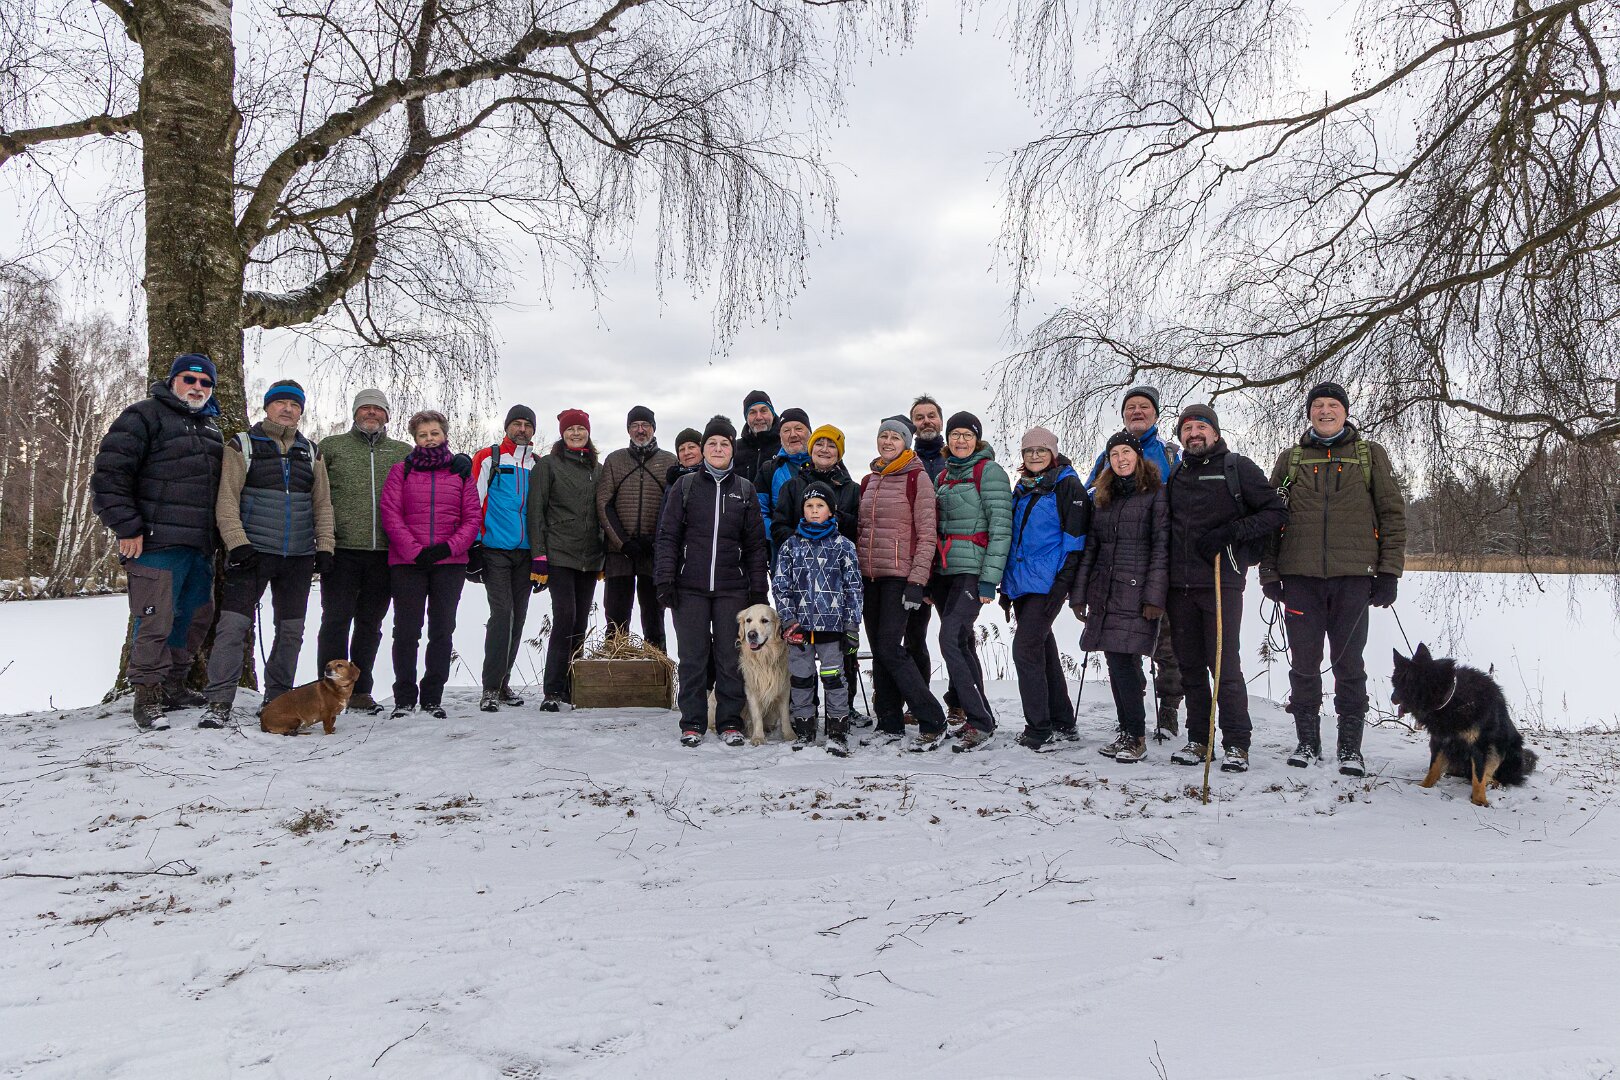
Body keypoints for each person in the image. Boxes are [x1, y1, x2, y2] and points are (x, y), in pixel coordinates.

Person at [1260, 381, 1407, 775]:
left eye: (1333, 405)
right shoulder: (1291, 458)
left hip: (1353, 579)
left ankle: (1349, 748)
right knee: (1304, 665)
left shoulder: (1368, 454)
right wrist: (1270, 571)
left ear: (1345, 411)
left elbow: (1392, 514)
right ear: (1309, 412)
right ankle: (1307, 743)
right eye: (1318, 405)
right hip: (1300, 580)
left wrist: (1389, 571)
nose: (1325, 411)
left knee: (1349, 665)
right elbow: (1271, 518)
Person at [90, 352, 225, 731]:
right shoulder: (144, 415)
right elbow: (110, 476)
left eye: (205, 383)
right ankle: (146, 695)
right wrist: (127, 526)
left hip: (199, 546)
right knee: (155, 621)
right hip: (155, 544)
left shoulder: (212, 428)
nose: (197, 387)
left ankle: (174, 685)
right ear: (172, 381)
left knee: (196, 617)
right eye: (190, 380)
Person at [202, 379, 335, 725]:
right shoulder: (242, 445)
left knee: (291, 631)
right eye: (281, 403)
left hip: (298, 557)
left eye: (295, 404)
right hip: (252, 553)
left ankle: (277, 700)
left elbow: (322, 504)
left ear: (302, 411)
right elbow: (226, 499)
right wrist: (237, 542)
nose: (288, 409)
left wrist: (325, 546)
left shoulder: (311, 451)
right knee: (232, 627)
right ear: (268, 406)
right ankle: (218, 703)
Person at [1164, 403, 1288, 772]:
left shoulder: (1237, 467)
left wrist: (1230, 533)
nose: (1194, 433)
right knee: (1189, 668)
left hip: (1221, 580)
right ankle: (1199, 741)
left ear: (1215, 433)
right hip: (1178, 585)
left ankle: (1237, 743)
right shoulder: (1177, 472)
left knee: (1224, 666)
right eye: (1187, 429)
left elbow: (1275, 512)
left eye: (1201, 427)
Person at [655, 415, 769, 746]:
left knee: (730, 657)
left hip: (732, 590)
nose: (718, 448)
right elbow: (668, 536)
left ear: (733, 449)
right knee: (692, 657)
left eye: (725, 443)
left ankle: (730, 721)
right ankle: (692, 721)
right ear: (704, 450)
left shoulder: (744, 491)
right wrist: (665, 578)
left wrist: (758, 590)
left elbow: (755, 546)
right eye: (712, 443)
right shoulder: (686, 487)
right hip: (688, 588)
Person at [1087, 385, 1183, 741]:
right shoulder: (1107, 456)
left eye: (1144, 407)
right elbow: (1093, 497)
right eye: (1131, 407)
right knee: (1125, 645)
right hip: (1119, 566)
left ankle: (1169, 707)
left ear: (1156, 414)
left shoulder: (1170, 455)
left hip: (1162, 562)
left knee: (1166, 642)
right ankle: (1134, 709)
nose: (1137, 411)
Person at [379, 410, 482, 719]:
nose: (429, 439)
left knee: (442, 630)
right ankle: (405, 698)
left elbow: (473, 517)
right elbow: (390, 513)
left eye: (434, 433)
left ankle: (433, 697)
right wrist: (415, 550)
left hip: (449, 563)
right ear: (415, 439)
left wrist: (447, 548)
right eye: (423, 434)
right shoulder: (401, 471)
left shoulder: (461, 472)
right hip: (408, 562)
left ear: (444, 434)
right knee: (407, 631)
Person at [1075, 431, 1170, 763]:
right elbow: (1092, 547)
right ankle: (1127, 731)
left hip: (1138, 590)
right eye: (1114, 454)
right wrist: (1080, 594)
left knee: (1125, 662)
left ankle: (1136, 736)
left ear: (1139, 456)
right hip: (1106, 589)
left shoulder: (1156, 494)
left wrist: (1155, 596)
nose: (1120, 459)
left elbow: (1162, 548)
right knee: (1117, 663)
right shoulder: (1105, 496)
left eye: (1126, 452)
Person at [316, 388, 411, 716]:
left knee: (370, 624)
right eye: (365, 408)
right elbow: (316, 494)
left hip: (385, 553)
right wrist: (321, 541)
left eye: (378, 409)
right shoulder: (332, 447)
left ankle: (360, 690)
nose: (371, 414)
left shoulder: (402, 451)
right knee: (336, 620)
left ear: (387, 415)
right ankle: (328, 690)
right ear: (355, 413)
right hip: (341, 550)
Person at [857, 416, 948, 750]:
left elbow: (927, 534)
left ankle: (933, 719)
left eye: (895, 437)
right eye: (884, 436)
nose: (888, 441)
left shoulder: (917, 478)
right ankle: (889, 722)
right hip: (870, 577)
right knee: (880, 652)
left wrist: (918, 581)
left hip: (900, 577)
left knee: (891, 649)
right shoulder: (869, 481)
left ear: (906, 443)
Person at [771, 424, 869, 725]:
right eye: (819, 444)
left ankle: (842, 714)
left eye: (831, 445)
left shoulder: (851, 487)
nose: (824, 449)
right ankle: (804, 716)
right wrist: (805, 542)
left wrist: (833, 525)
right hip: (802, 582)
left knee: (836, 663)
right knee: (802, 666)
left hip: (833, 595)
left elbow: (858, 529)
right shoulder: (794, 485)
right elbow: (779, 526)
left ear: (839, 452)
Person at [1001, 427, 1090, 751]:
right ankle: (1062, 721)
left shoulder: (1067, 485)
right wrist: (1006, 588)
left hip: (1048, 582)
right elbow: (1016, 539)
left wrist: (1063, 582)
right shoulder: (1023, 488)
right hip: (1023, 582)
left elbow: (1076, 538)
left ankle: (1039, 729)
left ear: (1053, 452)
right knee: (1042, 649)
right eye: (1029, 451)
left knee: (1025, 648)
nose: (1035, 455)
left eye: (1041, 450)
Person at [932, 411, 1013, 751]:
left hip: (972, 569)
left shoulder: (990, 472)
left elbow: (1001, 528)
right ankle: (979, 717)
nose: (960, 440)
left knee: (949, 637)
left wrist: (988, 580)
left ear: (977, 439)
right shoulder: (943, 476)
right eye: (955, 435)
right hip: (944, 571)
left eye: (967, 435)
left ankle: (979, 720)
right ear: (947, 439)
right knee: (962, 642)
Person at [774, 481, 864, 755]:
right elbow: (780, 585)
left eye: (820, 506)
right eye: (809, 506)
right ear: (802, 510)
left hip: (831, 627)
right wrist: (789, 621)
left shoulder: (843, 546)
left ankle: (837, 728)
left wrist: (851, 625)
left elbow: (854, 588)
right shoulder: (791, 546)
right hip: (799, 629)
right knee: (801, 679)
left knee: (833, 678)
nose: (814, 511)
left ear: (831, 510)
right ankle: (804, 727)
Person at [530, 409, 605, 711]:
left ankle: (574, 686)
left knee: (579, 621)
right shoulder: (548, 466)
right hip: (559, 553)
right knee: (564, 618)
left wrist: (604, 555)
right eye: (570, 429)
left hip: (590, 557)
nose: (576, 433)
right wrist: (539, 555)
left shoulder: (597, 469)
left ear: (588, 432)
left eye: (581, 429)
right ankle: (552, 689)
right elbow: (536, 511)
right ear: (562, 433)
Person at [468, 404, 540, 712]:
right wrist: (473, 546)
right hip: (495, 549)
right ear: (507, 427)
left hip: (526, 554)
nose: (522, 429)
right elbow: (473, 500)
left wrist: (542, 557)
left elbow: (543, 512)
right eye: (517, 424)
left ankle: (504, 681)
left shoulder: (538, 464)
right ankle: (490, 687)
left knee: (519, 617)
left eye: (527, 424)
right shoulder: (489, 457)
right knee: (502, 615)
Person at [598, 405, 676, 651]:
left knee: (654, 615)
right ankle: (615, 668)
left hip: (653, 553)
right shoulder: (615, 460)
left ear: (653, 428)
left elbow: (673, 507)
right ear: (628, 429)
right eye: (635, 426)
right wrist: (623, 543)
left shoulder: (669, 461)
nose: (640, 430)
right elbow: (604, 503)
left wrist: (654, 541)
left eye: (645, 425)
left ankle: (656, 670)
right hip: (619, 552)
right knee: (616, 616)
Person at [902, 395, 951, 720]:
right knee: (914, 637)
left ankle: (959, 701)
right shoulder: (907, 461)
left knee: (957, 637)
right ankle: (919, 703)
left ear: (941, 419)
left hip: (951, 563)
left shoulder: (955, 456)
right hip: (917, 564)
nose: (926, 422)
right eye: (919, 417)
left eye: (931, 415)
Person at [759, 407, 811, 531]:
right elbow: (759, 512)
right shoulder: (769, 469)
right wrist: (780, 537)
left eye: (798, 429)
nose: (793, 435)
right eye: (786, 430)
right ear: (780, 436)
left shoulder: (824, 465)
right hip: (781, 547)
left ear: (810, 433)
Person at [734, 389, 781, 488]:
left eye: (764, 411)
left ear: (772, 414)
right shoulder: (735, 449)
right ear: (746, 418)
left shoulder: (785, 445)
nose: (759, 417)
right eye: (752, 412)